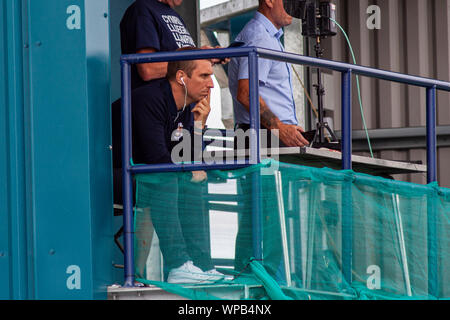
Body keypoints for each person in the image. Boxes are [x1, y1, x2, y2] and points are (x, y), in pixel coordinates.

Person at [127, 49, 227, 284]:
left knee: (192, 183)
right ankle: (178, 265)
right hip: (109, 173)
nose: (211, 85)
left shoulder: (186, 106)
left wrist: (200, 125)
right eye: (204, 76)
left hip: (149, 175)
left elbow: (191, 161)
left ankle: (202, 265)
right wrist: (190, 169)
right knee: (169, 179)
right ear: (182, 77)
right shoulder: (150, 98)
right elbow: (157, 158)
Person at [228, 0, 309, 148]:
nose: (295, 6)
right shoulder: (260, 37)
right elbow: (246, 93)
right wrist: (280, 128)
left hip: (267, 134)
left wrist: (284, 127)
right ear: (269, 1)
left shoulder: (266, 36)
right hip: (264, 136)